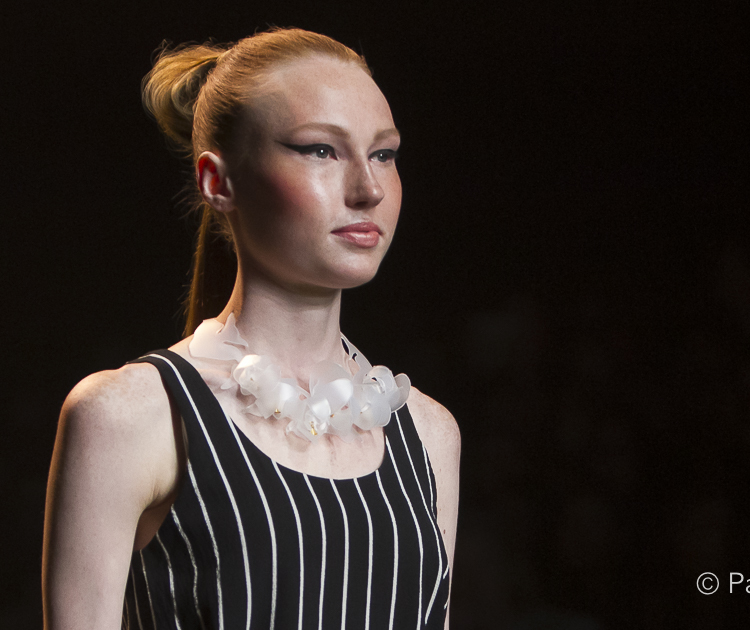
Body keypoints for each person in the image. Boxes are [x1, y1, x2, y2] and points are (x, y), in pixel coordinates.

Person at [42, 27, 460, 630]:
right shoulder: (130, 416)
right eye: (320, 150)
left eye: (383, 154)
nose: (368, 189)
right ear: (218, 182)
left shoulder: (429, 434)